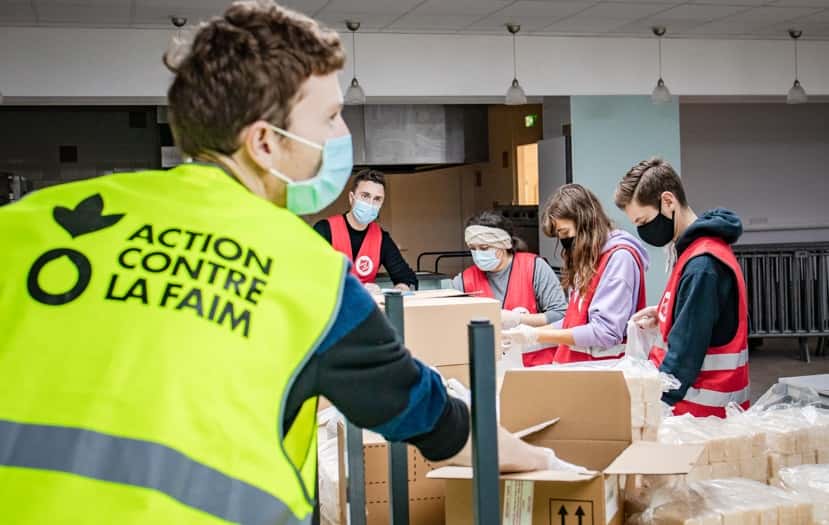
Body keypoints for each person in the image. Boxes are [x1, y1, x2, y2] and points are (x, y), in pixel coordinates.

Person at [0, 3, 553, 523]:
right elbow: (434, 420)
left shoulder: (26, 225)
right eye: (330, 118)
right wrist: (542, 461)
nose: (341, 137)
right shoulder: (302, 273)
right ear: (265, 142)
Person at [615, 157, 749, 418]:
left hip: (700, 415)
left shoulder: (702, 265)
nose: (642, 231)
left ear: (668, 201)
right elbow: (704, 320)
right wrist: (666, 313)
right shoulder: (695, 252)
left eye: (643, 221)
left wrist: (652, 409)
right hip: (697, 410)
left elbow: (685, 354)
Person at [501, 184, 649, 364]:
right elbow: (573, 322)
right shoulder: (589, 260)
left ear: (585, 223)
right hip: (582, 367)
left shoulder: (619, 259)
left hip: (606, 368)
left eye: (565, 233)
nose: (564, 241)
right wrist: (524, 338)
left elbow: (605, 332)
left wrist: (536, 335)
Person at [452, 211, 567, 367]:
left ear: (504, 244)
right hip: (488, 367)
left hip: (537, 365)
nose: (478, 254)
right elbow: (453, 327)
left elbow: (561, 315)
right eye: (473, 248)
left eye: (484, 248)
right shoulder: (463, 282)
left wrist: (519, 319)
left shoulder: (534, 267)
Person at [313, 169, 417, 292]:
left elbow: (408, 279)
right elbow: (307, 276)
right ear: (352, 198)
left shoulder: (381, 238)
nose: (370, 203)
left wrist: (400, 289)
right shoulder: (325, 230)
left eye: (377, 199)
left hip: (365, 304)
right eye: (365, 196)